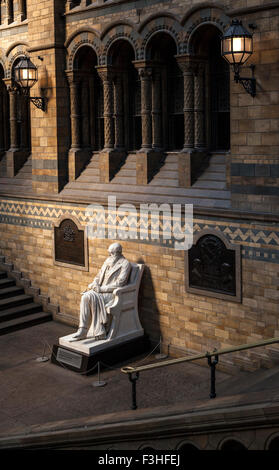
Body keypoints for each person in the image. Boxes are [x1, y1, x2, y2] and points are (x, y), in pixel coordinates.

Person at [69, 243, 131, 342]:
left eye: (112, 253)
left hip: (111, 293)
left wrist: (101, 289)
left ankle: (98, 330)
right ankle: (83, 330)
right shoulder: (107, 261)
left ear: (118, 253)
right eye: (109, 253)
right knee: (85, 297)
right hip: (99, 290)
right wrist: (94, 284)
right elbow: (98, 276)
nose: (109, 255)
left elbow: (120, 283)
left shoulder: (125, 264)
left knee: (88, 297)